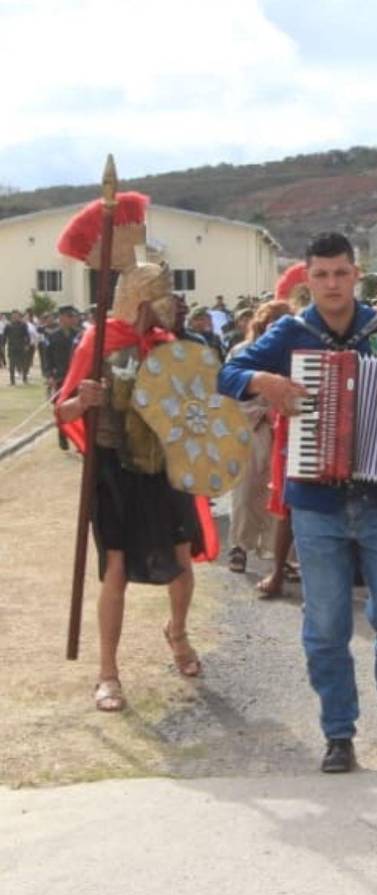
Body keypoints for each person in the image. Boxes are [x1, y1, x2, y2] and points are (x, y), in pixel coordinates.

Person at [218, 231, 377, 774]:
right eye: (321, 275)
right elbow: (226, 374)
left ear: (356, 274)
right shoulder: (291, 332)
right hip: (316, 501)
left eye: (340, 273)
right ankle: (338, 731)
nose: (331, 284)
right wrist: (262, 379)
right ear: (307, 280)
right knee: (326, 625)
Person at [53, 192, 219, 712]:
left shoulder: (172, 344)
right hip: (113, 470)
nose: (169, 305)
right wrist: (83, 400)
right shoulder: (96, 342)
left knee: (182, 561)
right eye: (160, 296)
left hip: (164, 467)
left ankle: (178, 633)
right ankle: (108, 672)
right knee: (116, 569)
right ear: (137, 298)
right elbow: (62, 410)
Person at [224, 300, 287, 575]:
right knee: (245, 490)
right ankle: (239, 546)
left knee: (279, 493)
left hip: (282, 432)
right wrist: (263, 412)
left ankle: (278, 554)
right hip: (250, 430)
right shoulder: (242, 352)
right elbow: (229, 392)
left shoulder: (294, 354)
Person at [44, 305, 81, 449]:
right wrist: (49, 375)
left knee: (78, 409)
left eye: (73, 316)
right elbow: (47, 358)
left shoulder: (79, 335)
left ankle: (79, 439)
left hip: (77, 378)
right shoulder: (52, 336)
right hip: (60, 378)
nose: (72, 319)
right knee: (61, 409)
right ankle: (62, 436)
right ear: (61, 318)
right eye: (69, 316)